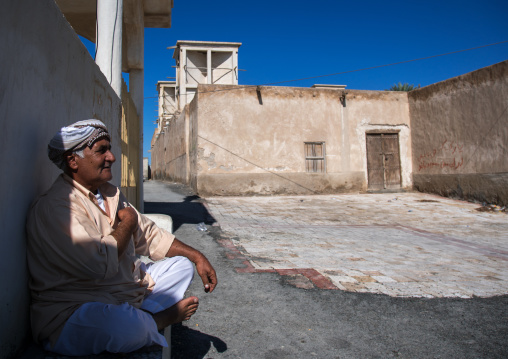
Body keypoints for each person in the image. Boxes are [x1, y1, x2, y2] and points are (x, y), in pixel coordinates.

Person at [26, 119, 217, 356]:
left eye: (110, 149)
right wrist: (127, 222)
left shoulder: (109, 193)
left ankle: (142, 318)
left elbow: (150, 234)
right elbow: (99, 264)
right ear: (73, 161)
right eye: (101, 150)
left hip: (124, 291)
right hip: (74, 308)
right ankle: (156, 320)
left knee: (182, 266)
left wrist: (197, 256)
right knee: (120, 327)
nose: (112, 157)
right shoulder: (57, 206)